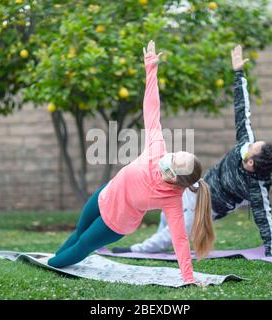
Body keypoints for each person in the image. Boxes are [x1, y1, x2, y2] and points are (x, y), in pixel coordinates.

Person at [47, 40, 214, 285]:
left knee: (83, 245)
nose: (172, 155)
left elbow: (180, 240)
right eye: (178, 152)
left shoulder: (172, 200)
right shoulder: (158, 150)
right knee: (78, 232)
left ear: (175, 177)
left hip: (115, 224)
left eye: (176, 160)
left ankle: (49, 265)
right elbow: (152, 108)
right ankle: (55, 259)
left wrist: (188, 277)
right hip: (103, 197)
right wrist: (151, 69)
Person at [112, 45, 272, 257]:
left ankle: (136, 250)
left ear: (251, 164)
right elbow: (242, 110)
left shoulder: (257, 188)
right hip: (197, 185)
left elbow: (264, 216)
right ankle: (150, 246)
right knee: (169, 202)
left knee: (176, 231)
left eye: (250, 149)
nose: (247, 145)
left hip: (206, 208)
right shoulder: (244, 144)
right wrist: (239, 73)